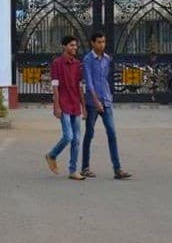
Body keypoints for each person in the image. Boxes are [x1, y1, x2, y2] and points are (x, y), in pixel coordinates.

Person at [81, 32, 132, 180]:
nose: (101, 45)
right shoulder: (88, 60)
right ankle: (85, 167)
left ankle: (117, 169)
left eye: (103, 42)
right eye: (98, 42)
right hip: (92, 103)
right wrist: (96, 101)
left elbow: (105, 79)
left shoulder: (107, 59)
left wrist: (107, 97)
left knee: (112, 133)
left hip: (106, 101)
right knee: (89, 134)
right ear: (92, 43)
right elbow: (89, 83)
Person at [44, 35, 87, 180]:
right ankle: (51, 155)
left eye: (75, 45)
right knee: (68, 136)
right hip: (64, 104)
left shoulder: (77, 64)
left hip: (75, 104)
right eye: (71, 45)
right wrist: (56, 106)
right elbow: (55, 86)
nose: (74, 48)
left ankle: (73, 170)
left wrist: (84, 106)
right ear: (64, 46)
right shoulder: (57, 63)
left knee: (76, 139)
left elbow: (80, 86)